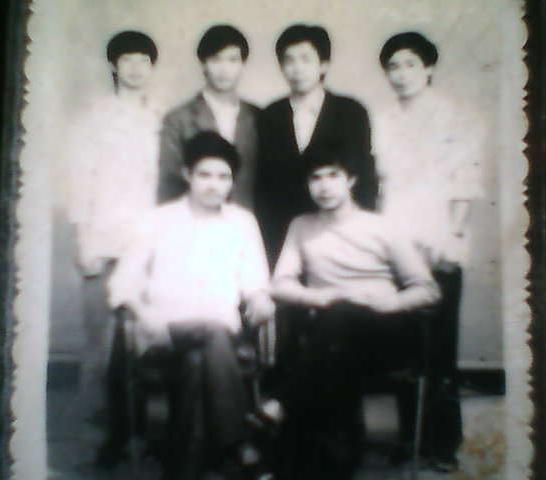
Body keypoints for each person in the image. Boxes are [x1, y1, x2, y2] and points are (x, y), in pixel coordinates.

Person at [102, 131, 275, 479]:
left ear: (232, 181)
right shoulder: (158, 220)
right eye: (205, 175)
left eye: (223, 176)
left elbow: (255, 280)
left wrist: (260, 298)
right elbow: (122, 283)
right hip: (163, 331)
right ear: (187, 175)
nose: (214, 185)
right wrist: (142, 316)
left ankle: (186, 467)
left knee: (198, 358)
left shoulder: (242, 222)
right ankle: (240, 443)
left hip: (219, 336)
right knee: (208, 334)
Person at [270, 146, 440, 480]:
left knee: (339, 324)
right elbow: (280, 284)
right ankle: (329, 465)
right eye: (315, 178)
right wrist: (321, 296)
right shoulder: (301, 226)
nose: (324, 186)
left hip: (384, 331)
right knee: (336, 335)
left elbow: (428, 289)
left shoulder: (381, 226)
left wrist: (390, 303)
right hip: (331, 338)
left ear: (351, 180)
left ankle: (280, 406)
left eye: (333, 176)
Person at [374, 31, 486, 471]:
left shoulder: (456, 118)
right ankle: (408, 438)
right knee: (403, 347)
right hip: (395, 241)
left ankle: (442, 444)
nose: (401, 74)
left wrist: (449, 237)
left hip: (440, 240)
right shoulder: (381, 120)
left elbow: (465, 186)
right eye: (393, 66)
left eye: (410, 65)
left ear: (429, 68)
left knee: (439, 349)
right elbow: (379, 186)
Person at [66, 30, 161, 418]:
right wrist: (82, 240)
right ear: (113, 66)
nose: (135, 68)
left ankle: (134, 423)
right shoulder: (96, 116)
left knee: (140, 335)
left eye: (143, 61)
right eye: (127, 60)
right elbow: (79, 180)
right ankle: (94, 426)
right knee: (99, 337)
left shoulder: (159, 117)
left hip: (146, 238)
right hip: (102, 237)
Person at [256, 23, 378, 265]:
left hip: (339, 232)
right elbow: (263, 185)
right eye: (289, 60)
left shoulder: (351, 112)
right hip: (281, 234)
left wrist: (359, 232)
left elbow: (364, 176)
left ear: (324, 64)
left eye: (306, 59)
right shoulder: (270, 115)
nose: (297, 68)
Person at [158, 24, 260, 208]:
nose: (224, 69)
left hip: (248, 219)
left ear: (243, 64)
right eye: (215, 60)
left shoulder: (258, 116)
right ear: (203, 64)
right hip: (195, 220)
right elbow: (169, 184)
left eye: (233, 60)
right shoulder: (178, 119)